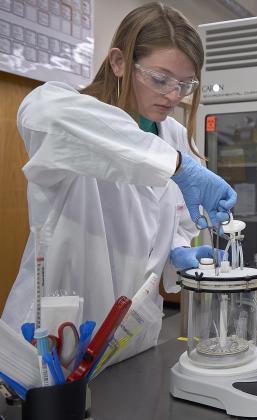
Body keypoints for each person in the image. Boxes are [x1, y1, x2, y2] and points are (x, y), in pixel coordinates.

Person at [2, 3, 235, 359]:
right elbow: (42, 114)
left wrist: (176, 250)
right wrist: (175, 166)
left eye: (185, 85)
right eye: (160, 79)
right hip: (55, 337)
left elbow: (168, 222)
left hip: (133, 338)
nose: (173, 96)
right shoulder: (69, 112)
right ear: (118, 62)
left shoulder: (173, 136)